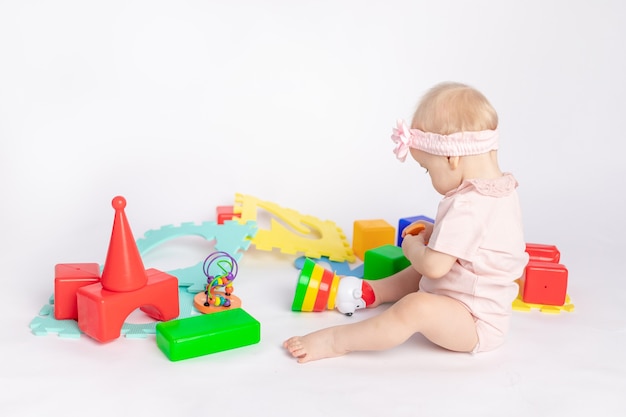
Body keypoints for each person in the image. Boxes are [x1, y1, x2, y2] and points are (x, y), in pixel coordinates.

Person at [283, 81, 529, 363]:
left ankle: (338, 341)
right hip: (475, 303)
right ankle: (375, 290)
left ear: (451, 157)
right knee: (418, 273)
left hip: (474, 322)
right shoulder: (502, 189)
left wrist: (412, 245)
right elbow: (479, 242)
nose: (429, 176)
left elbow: (434, 267)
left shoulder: (467, 203)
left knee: (415, 305)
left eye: (427, 169)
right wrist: (437, 233)